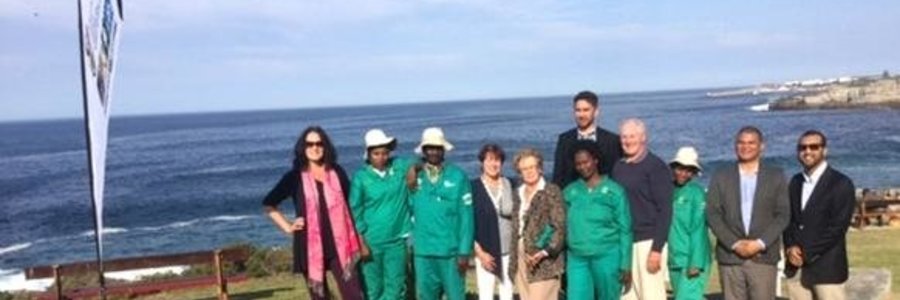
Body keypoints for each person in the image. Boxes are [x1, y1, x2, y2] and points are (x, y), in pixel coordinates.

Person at [262, 126, 364, 300]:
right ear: (303, 147)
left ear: (326, 147)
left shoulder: (336, 171)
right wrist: (287, 226)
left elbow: (350, 203)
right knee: (319, 297)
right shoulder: (294, 177)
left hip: (340, 245)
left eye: (319, 143)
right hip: (309, 247)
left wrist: (360, 236)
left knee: (353, 295)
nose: (314, 148)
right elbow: (269, 204)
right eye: (309, 144)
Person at [706, 126, 790, 300]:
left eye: (751, 143)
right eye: (741, 143)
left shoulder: (776, 176)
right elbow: (713, 214)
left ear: (761, 146)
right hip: (731, 257)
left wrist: (759, 243)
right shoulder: (721, 176)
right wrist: (735, 243)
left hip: (763, 257)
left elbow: (783, 214)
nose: (746, 147)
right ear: (735, 146)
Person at [783, 130, 855, 300]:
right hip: (796, 269)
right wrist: (790, 247)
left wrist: (805, 254)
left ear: (825, 150)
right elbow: (789, 219)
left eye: (813, 146)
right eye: (802, 147)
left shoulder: (841, 183)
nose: (807, 151)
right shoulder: (795, 182)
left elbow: (837, 228)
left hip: (827, 270)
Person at [610, 118, 673, 300]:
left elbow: (665, 210)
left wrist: (657, 249)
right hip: (624, 241)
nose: (627, 141)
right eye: (624, 137)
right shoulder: (618, 166)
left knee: (651, 295)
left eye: (632, 136)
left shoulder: (656, 167)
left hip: (648, 241)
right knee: (627, 296)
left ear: (643, 137)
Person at [408, 127, 474, 300]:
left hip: (450, 253)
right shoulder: (414, 177)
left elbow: (466, 217)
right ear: (423, 150)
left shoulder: (458, 176)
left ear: (443, 149)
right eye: (429, 147)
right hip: (423, 253)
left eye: (437, 148)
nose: (433, 152)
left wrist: (464, 252)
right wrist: (413, 167)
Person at [349, 129, 414, 300]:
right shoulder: (361, 178)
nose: (381, 157)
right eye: (376, 153)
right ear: (368, 154)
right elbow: (355, 211)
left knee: (397, 287)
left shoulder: (398, 167)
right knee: (373, 289)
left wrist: (412, 172)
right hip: (372, 242)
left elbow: (417, 163)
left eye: (385, 153)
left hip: (397, 240)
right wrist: (361, 242)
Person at [563, 141, 632, 300]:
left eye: (586, 162)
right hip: (577, 259)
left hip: (607, 257)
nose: (582, 167)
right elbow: (557, 222)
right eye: (578, 164)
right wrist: (540, 244)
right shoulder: (570, 191)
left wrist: (626, 264)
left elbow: (625, 230)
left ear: (595, 160)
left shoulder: (615, 191)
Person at [508, 148, 566, 300]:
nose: (529, 172)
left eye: (532, 167)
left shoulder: (551, 191)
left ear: (540, 167)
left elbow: (559, 227)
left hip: (544, 259)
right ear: (519, 172)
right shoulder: (517, 194)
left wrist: (543, 252)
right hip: (521, 256)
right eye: (524, 169)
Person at [552, 90, 623, 188]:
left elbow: (617, 176)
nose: (581, 115)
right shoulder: (564, 140)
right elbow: (558, 177)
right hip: (572, 199)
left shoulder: (612, 141)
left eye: (586, 110)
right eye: (578, 110)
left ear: (596, 112)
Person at [667, 146, 711, 300]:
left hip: (690, 260)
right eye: (680, 168)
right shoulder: (669, 189)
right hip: (674, 258)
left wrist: (695, 262)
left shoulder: (697, 193)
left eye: (688, 170)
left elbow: (699, 229)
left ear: (693, 173)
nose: (682, 173)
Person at [472, 144, 515, 300]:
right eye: (489, 159)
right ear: (482, 162)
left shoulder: (510, 184)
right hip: (485, 251)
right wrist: (480, 253)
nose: (493, 164)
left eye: (497, 160)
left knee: (507, 292)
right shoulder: (473, 187)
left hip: (509, 250)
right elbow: (468, 224)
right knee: (485, 294)